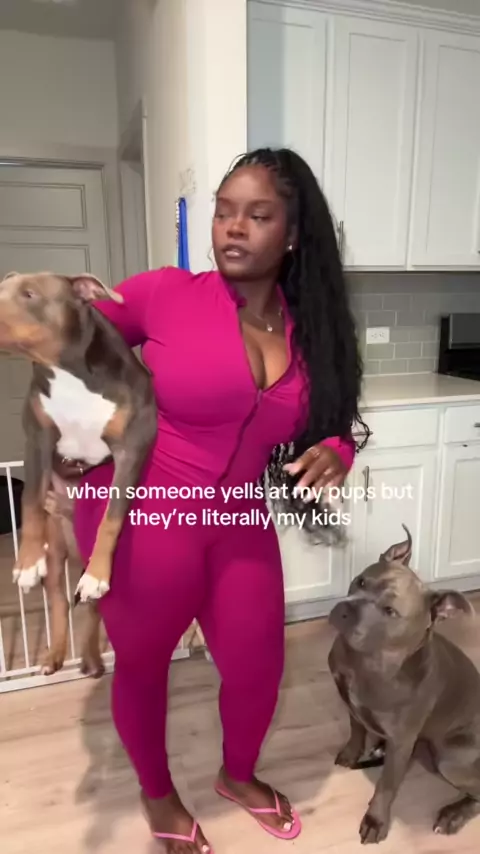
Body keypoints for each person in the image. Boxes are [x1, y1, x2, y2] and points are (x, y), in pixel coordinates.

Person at [56, 147, 369, 853]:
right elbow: (67, 344)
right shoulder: (164, 294)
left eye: (257, 215)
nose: (232, 227)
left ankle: (238, 775)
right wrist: (77, 430)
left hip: (238, 523)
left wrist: (337, 450)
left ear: (293, 234)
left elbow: (337, 418)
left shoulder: (313, 328)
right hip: (148, 516)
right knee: (144, 665)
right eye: (224, 211)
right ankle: (157, 792)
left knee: (258, 665)